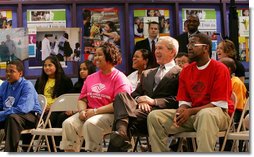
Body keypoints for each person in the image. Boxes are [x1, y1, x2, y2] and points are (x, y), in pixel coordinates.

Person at [147, 33, 233, 152]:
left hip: (217, 115)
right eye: (188, 44)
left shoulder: (220, 68)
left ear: (206, 48)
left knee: (206, 114)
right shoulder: (186, 70)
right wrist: (181, 110)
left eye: (193, 44)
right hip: (193, 115)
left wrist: (189, 111)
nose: (189, 47)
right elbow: (185, 101)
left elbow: (217, 104)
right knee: (154, 116)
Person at [107, 36, 181, 152]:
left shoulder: (180, 72)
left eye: (160, 48)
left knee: (123, 121)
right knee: (121, 96)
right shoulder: (147, 73)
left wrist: (153, 102)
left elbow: (179, 99)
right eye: (155, 48)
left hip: (161, 115)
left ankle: (121, 133)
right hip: (140, 114)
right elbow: (134, 95)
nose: (156, 52)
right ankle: (122, 133)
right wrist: (140, 99)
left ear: (172, 52)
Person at [60, 42, 132, 152]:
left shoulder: (120, 78)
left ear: (109, 56)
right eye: (96, 54)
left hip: (111, 115)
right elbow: (82, 99)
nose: (96, 58)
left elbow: (120, 104)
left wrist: (95, 111)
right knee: (68, 124)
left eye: (100, 55)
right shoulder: (90, 78)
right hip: (90, 112)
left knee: (91, 124)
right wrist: (81, 111)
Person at [0, 60, 42, 152]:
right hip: (11, 116)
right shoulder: (4, 85)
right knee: (11, 117)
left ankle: (10, 152)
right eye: (6, 71)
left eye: (11, 71)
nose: (8, 74)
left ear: (20, 73)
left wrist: (2, 114)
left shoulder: (27, 85)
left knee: (12, 118)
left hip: (31, 116)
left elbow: (24, 108)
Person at [35, 55, 73, 151]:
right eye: (45, 65)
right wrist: (43, 107)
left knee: (55, 117)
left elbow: (68, 99)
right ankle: (52, 149)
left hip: (60, 110)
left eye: (50, 65)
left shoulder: (65, 81)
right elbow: (36, 98)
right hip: (43, 111)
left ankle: (56, 148)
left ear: (56, 66)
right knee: (45, 119)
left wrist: (53, 107)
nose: (47, 68)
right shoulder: (40, 81)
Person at [219, 57, 247, 151]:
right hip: (222, 109)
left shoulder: (236, 82)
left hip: (235, 112)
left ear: (228, 69)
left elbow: (237, 106)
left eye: (220, 65)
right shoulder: (221, 80)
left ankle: (226, 151)